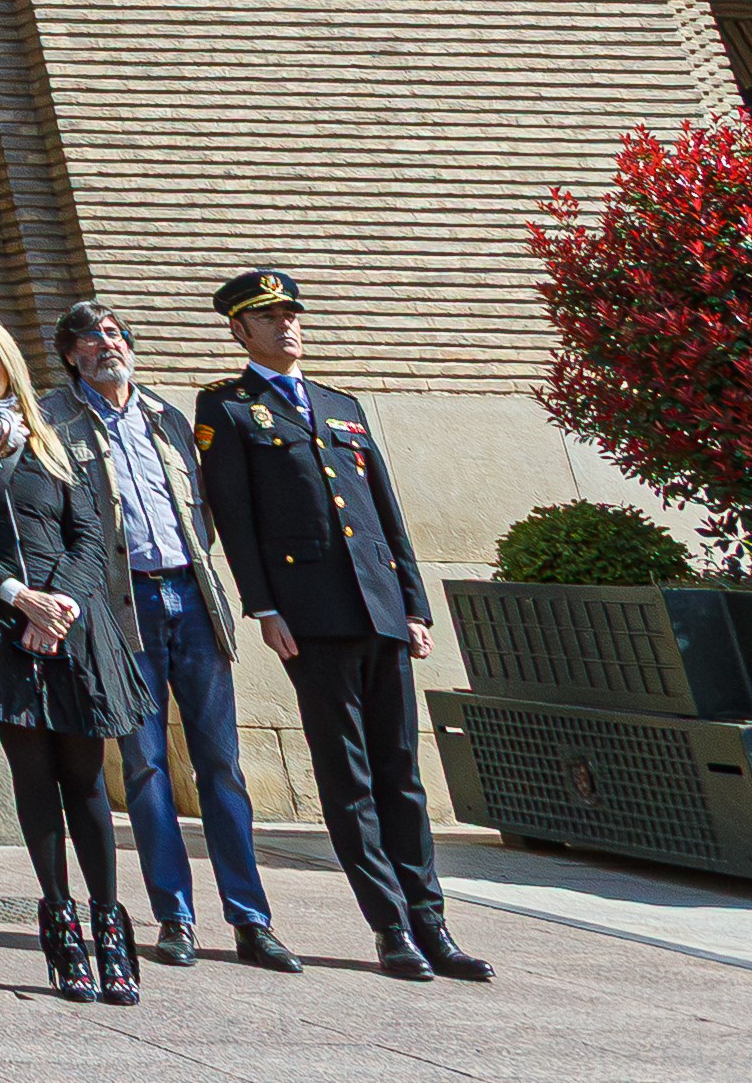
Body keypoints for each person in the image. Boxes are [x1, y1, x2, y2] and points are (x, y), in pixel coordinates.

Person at [191, 269, 483, 984]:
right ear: (241, 330)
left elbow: (385, 513)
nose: (287, 325)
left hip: (381, 610)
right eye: (270, 317)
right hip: (311, 616)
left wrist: (413, 604)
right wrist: (264, 608)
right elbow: (235, 517)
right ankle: (391, 927)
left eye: (292, 313)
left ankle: (433, 922)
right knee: (349, 777)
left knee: (402, 774)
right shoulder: (227, 407)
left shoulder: (340, 405)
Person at [48, 300, 288, 972]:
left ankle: (250, 919)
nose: (107, 345)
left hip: (192, 596)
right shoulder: (55, 421)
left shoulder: (167, 416)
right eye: (91, 338)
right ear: (70, 355)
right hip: (124, 610)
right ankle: (175, 916)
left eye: (115, 334)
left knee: (221, 765)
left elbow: (201, 511)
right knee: (147, 765)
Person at [0, 315, 139, 1005]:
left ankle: (110, 924)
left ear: (10, 361)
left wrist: (59, 604)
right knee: (34, 778)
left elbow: (90, 536)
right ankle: (61, 925)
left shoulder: (55, 437)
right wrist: (21, 599)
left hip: (74, 627)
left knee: (86, 779)